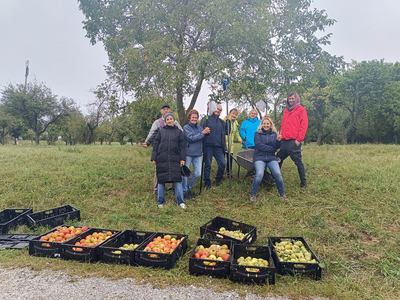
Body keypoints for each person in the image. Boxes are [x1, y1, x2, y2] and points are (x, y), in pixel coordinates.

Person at [142, 103, 182, 195]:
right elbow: (153, 133)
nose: (166, 110)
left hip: (172, 148)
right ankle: (156, 188)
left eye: (168, 109)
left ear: (170, 111)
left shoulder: (175, 122)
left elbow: (181, 133)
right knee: (159, 169)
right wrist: (147, 142)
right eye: (164, 109)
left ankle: (170, 187)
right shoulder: (157, 122)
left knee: (172, 167)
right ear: (161, 111)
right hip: (161, 149)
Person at [151, 112, 186, 209]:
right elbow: (156, 145)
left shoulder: (179, 132)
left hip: (175, 159)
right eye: (167, 119)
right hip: (162, 158)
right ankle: (160, 201)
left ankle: (180, 201)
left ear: (174, 120)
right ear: (165, 121)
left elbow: (182, 147)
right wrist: (154, 157)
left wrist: (182, 158)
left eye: (171, 119)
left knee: (177, 180)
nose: (170, 120)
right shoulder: (161, 131)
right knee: (161, 180)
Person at [250, 117, 287, 203]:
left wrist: (278, 141)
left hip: (271, 158)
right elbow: (259, 146)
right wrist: (273, 149)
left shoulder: (274, 134)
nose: (266, 125)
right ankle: (253, 194)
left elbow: (277, 147)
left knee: (277, 174)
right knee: (259, 174)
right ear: (262, 124)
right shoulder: (257, 134)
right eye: (264, 123)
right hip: (259, 157)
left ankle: (282, 193)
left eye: (268, 124)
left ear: (270, 125)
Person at [277, 92, 309, 191]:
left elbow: (304, 125)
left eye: (292, 98)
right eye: (289, 98)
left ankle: (303, 182)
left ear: (296, 99)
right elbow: (283, 124)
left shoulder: (301, 110)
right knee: (277, 159)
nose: (291, 100)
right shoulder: (286, 111)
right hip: (284, 141)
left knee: (298, 162)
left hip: (293, 141)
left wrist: (299, 140)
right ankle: (274, 178)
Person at [182, 109, 210, 199]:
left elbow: (203, 138)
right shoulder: (186, 128)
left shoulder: (200, 128)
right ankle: (184, 192)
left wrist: (207, 132)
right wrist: (203, 133)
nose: (194, 119)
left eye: (196, 117)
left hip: (198, 154)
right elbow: (191, 138)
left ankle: (187, 188)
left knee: (198, 173)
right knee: (185, 173)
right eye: (193, 117)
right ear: (189, 118)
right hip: (188, 153)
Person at [200, 104, 227, 189]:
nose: (218, 111)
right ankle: (207, 183)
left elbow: (227, 132)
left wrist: (229, 122)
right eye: (217, 109)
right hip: (208, 145)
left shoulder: (221, 122)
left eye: (220, 110)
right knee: (208, 164)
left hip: (218, 146)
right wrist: (204, 131)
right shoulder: (206, 119)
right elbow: (200, 129)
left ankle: (218, 179)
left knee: (223, 163)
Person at [223, 108, 243, 178]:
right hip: (224, 143)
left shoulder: (235, 123)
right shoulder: (225, 120)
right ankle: (221, 172)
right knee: (222, 159)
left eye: (236, 114)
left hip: (231, 144)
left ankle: (228, 173)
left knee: (230, 159)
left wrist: (240, 140)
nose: (234, 115)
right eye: (233, 113)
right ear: (229, 113)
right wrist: (226, 120)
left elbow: (236, 132)